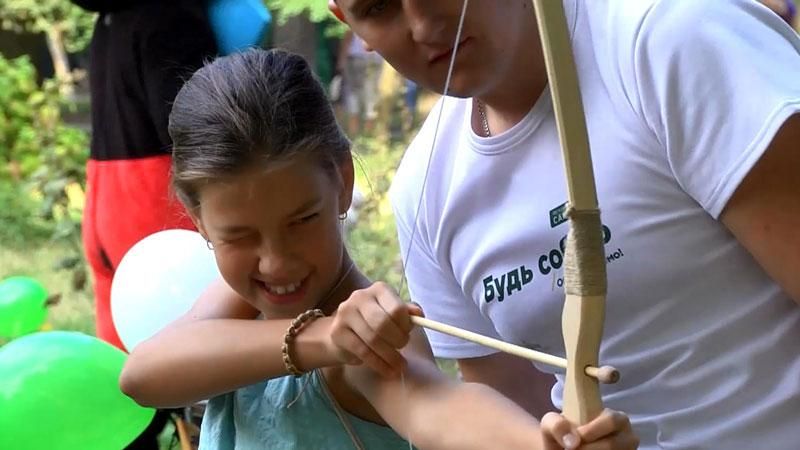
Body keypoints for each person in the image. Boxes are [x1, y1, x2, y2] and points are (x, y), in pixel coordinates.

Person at [326, 0, 800, 449]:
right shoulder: (422, 189)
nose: (425, 26)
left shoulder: (670, 38)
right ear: (346, 20)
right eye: (377, 7)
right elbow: (518, 414)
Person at [119, 48, 637, 450]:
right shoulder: (244, 304)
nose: (275, 261)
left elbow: (440, 408)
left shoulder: (372, 347)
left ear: (342, 181)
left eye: (302, 220)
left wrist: (537, 444)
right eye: (239, 236)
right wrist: (320, 338)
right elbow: (143, 374)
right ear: (197, 218)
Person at [69, 1, 218, 448]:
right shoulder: (167, 17)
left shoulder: (110, 19)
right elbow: (193, 131)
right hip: (158, 211)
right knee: (195, 374)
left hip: (107, 203)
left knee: (127, 377)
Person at [338, 30, 385, 135]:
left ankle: (355, 133)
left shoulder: (354, 21)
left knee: (353, 93)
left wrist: (341, 61)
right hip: (375, 59)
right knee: (371, 93)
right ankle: (368, 133)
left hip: (357, 59)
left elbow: (347, 39)